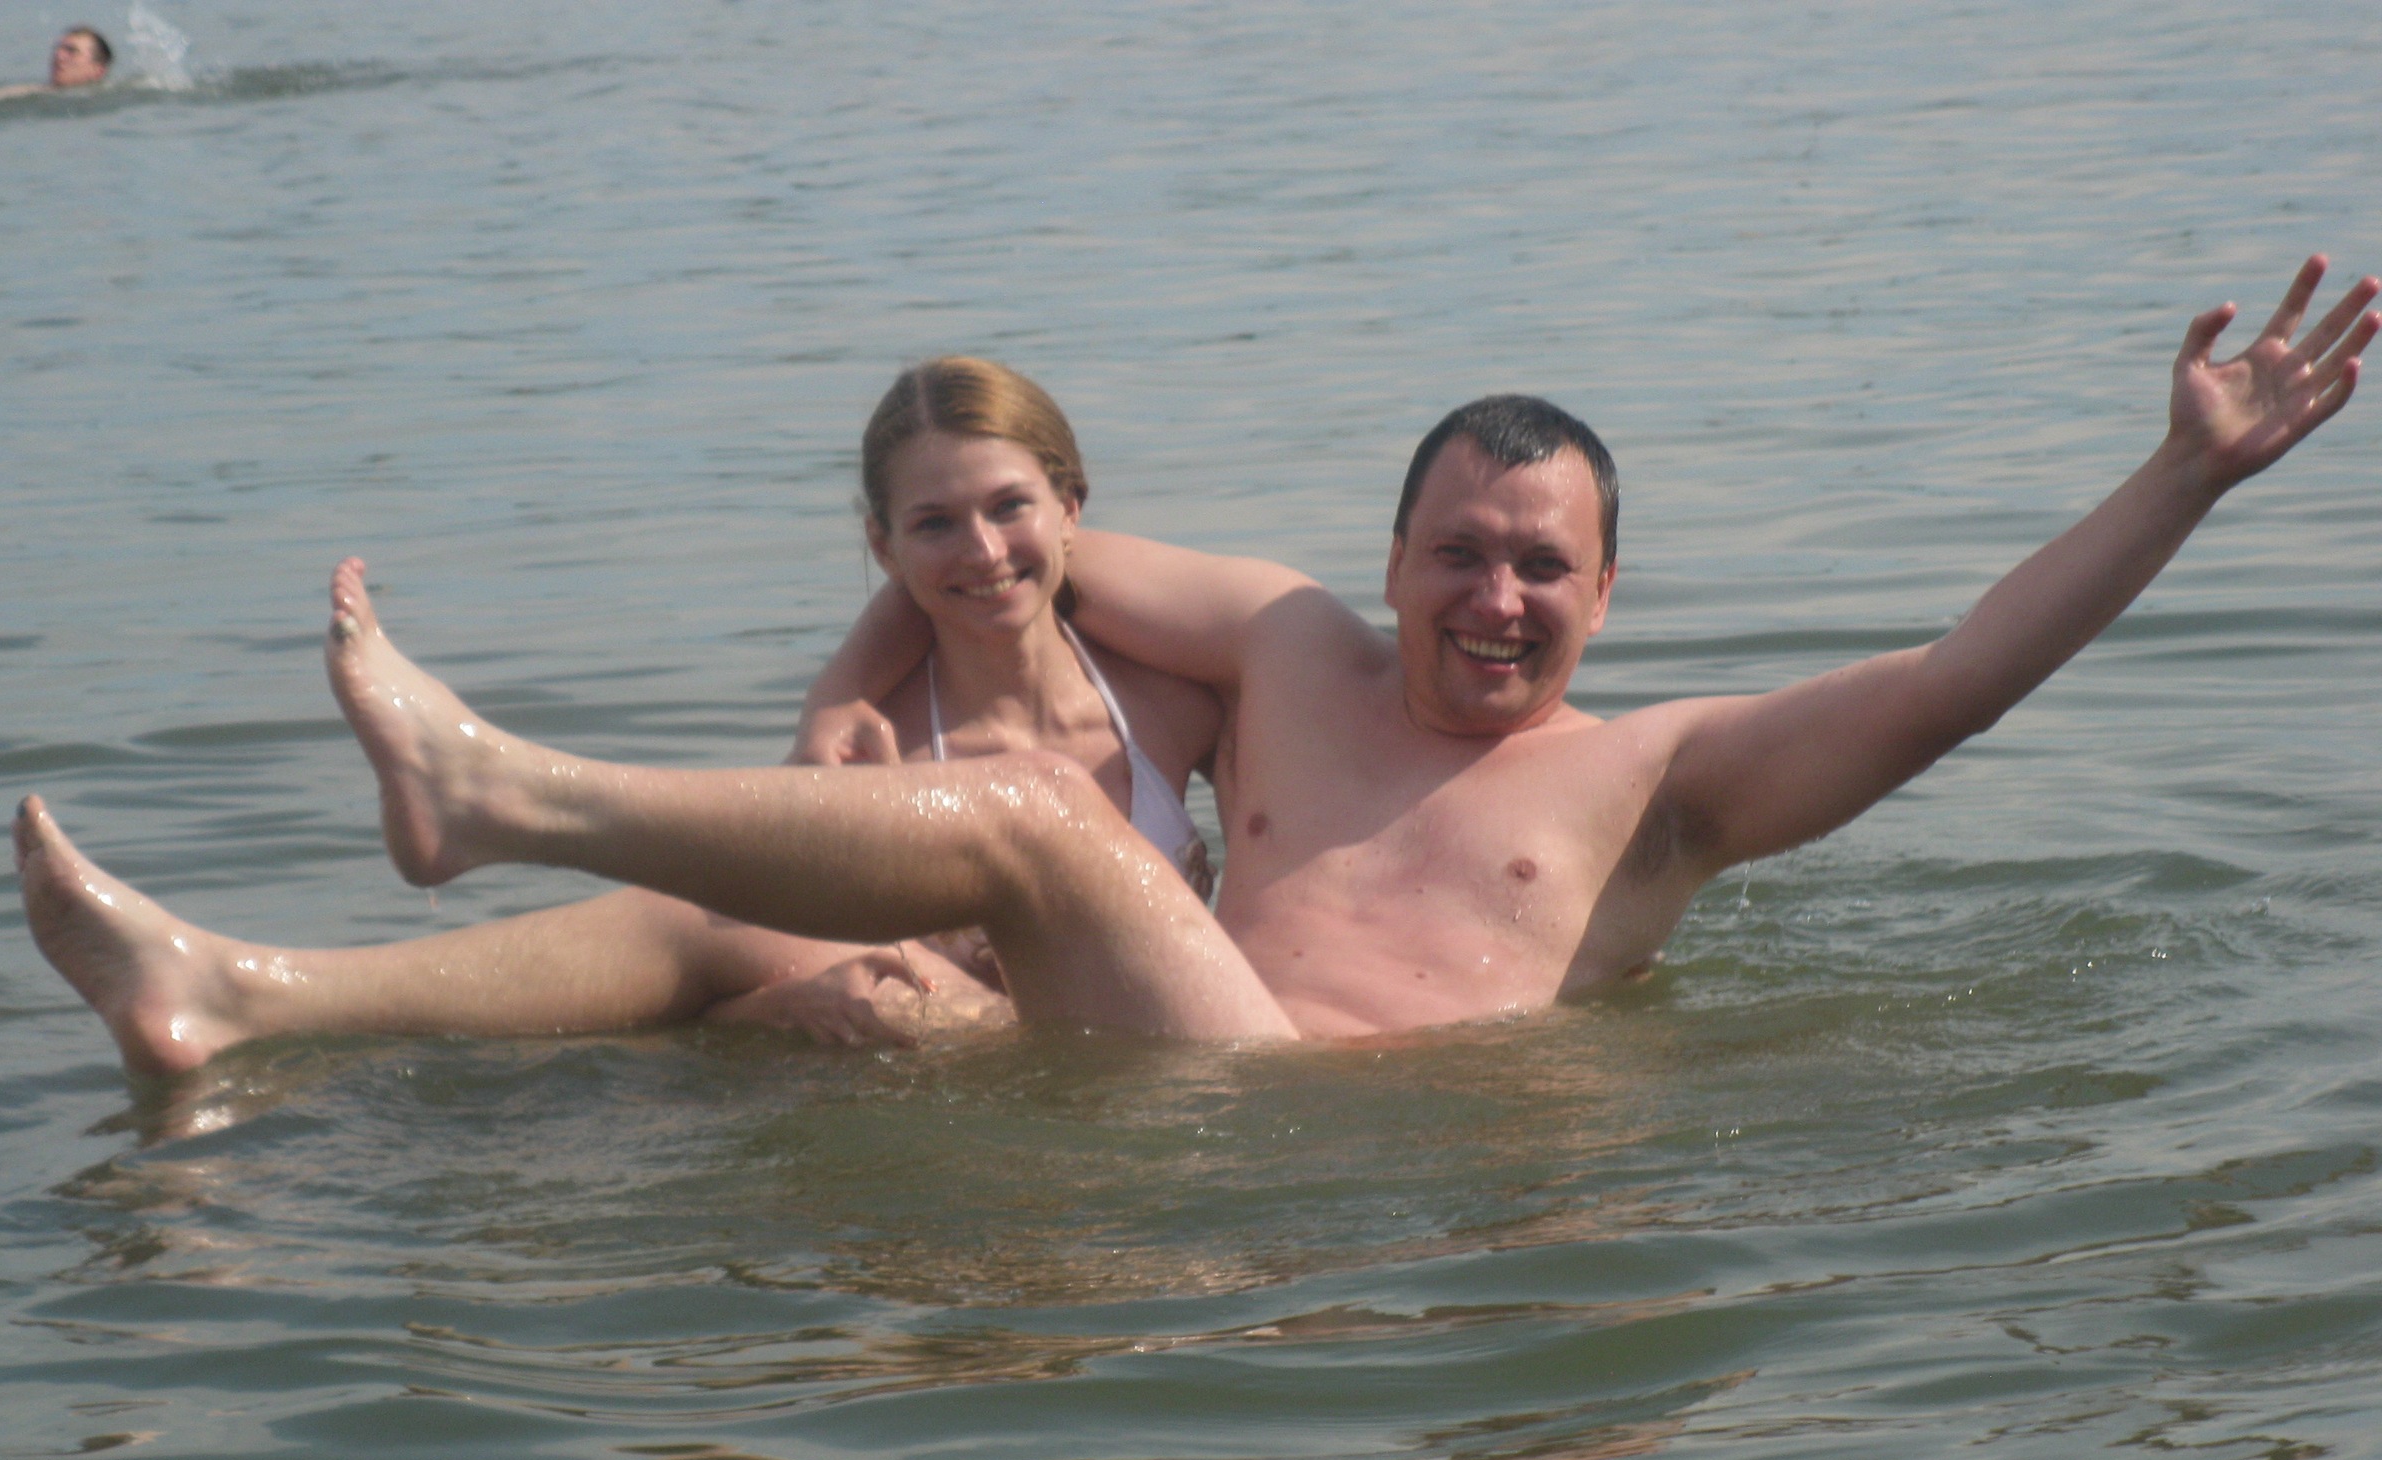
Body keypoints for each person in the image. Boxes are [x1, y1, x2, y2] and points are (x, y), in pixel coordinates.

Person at [289, 258, 2376, 1045]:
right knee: (720, 939)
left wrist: (2181, 480)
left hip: (1316, 1135)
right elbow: (1000, 540)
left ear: (1606, 594)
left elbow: (1959, 674)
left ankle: (498, 790)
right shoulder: (1288, 645)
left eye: (1541, 569)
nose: (1494, 599)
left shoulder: (1662, 784)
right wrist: (853, 673)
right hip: (1121, 1072)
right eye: (1456, 555)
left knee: (1034, 825)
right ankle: (249, 1004)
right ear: (1388, 562)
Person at [16, 358, 1224, 1072]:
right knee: (712, 928)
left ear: (1072, 507)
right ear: (881, 546)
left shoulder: (1169, 699)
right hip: (965, 1084)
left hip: (1143, 1062)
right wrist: (787, 1007)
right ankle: (235, 996)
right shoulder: (868, 739)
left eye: (1009, 507)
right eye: (933, 525)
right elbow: (736, 977)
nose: (983, 552)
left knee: (701, 916)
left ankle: (258, 978)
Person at [0, 27, 112, 104]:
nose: (58, 56)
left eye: (71, 51)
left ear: (98, 70)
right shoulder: (31, 92)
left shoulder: (102, 99)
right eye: (58, 49)